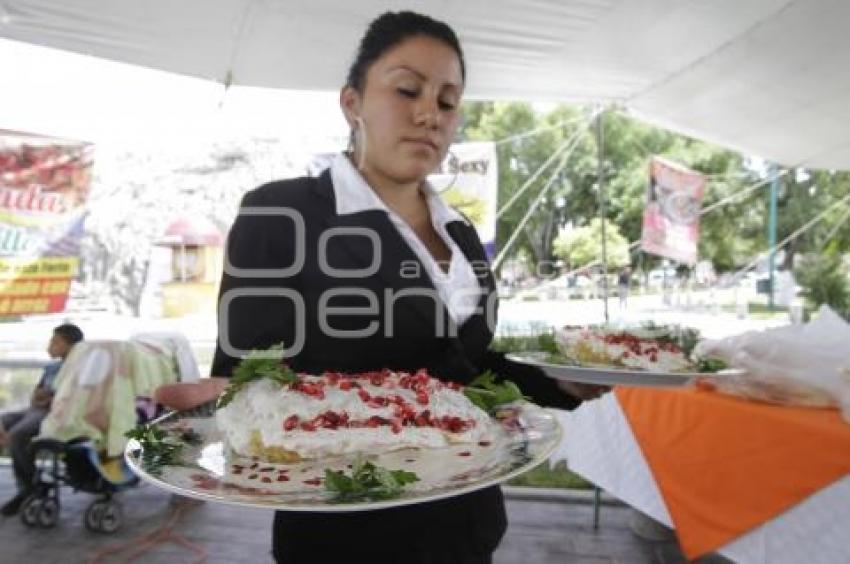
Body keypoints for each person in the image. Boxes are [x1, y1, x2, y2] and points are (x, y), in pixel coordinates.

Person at [156, 11, 607, 563]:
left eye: (447, 101)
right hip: (345, 535)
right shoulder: (282, 212)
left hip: (469, 519)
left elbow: (462, 366)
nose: (429, 114)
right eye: (407, 89)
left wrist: (562, 382)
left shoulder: (460, 231)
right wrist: (232, 394)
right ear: (352, 103)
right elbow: (252, 371)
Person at [0, 323, 84, 516]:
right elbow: (37, 395)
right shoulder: (52, 367)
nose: (50, 345)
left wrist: (48, 398)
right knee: (5, 421)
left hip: (54, 413)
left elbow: (69, 397)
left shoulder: (78, 369)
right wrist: (40, 396)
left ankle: (28, 489)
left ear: (71, 346)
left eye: (56, 341)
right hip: (36, 409)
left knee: (18, 434)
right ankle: (28, 484)